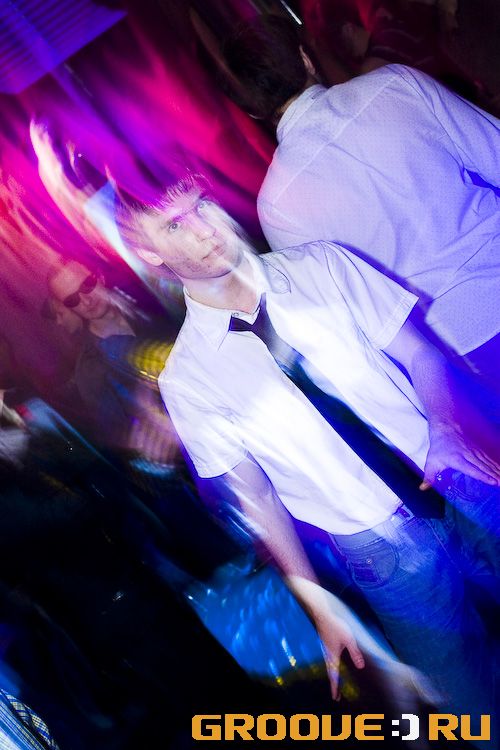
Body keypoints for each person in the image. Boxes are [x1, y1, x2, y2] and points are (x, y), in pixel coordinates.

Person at [116, 174, 499, 730]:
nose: (205, 228)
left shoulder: (322, 265)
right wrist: (318, 603)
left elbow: (420, 352)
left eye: (202, 204)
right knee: (470, 708)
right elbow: (259, 500)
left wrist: (445, 427)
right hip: (382, 553)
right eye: (175, 223)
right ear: (149, 251)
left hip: (460, 477)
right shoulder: (188, 379)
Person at [221, 14, 500, 384]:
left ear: (252, 110)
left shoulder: (276, 205)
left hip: (453, 353)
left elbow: (346, 318)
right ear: (305, 59)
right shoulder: (396, 85)